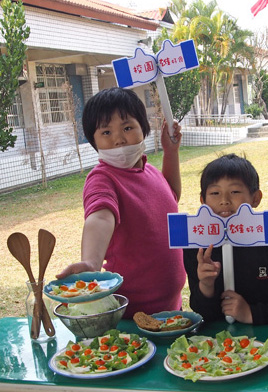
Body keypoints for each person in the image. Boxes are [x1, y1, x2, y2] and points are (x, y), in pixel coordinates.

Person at [56, 87, 185, 318]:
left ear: (143, 129)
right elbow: (101, 216)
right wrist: (90, 262)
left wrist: (171, 152)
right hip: (130, 318)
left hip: (171, 311)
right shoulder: (102, 178)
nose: (119, 139)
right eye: (106, 132)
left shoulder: (151, 172)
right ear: (93, 140)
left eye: (127, 127)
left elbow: (171, 196)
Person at [184, 153, 268, 325]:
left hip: (265, 340)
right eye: (215, 193)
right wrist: (206, 285)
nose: (224, 201)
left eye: (235, 192)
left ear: (255, 198)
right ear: (203, 201)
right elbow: (202, 313)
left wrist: (251, 313)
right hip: (216, 344)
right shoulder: (197, 246)